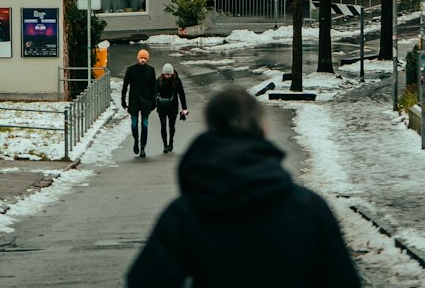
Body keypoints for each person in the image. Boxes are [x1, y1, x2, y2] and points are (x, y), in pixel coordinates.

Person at [126, 86, 361, 288]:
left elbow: (145, 280)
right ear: (263, 130)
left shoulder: (184, 215)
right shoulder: (309, 210)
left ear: (210, 129)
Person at [121, 47, 157, 158]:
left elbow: (154, 87)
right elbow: (125, 85)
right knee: (134, 124)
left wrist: (153, 101)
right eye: (141, 57)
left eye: (145, 58)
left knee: (145, 124)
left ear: (147, 59)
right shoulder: (131, 70)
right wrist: (123, 100)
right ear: (138, 58)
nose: (143, 60)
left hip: (146, 101)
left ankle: (142, 147)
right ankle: (136, 139)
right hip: (134, 101)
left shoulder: (151, 70)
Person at [154, 62, 188, 153]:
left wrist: (184, 108)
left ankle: (171, 142)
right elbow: (154, 93)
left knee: (171, 126)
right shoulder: (159, 80)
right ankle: (165, 145)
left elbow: (181, 94)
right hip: (161, 107)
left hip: (173, 107)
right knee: (163, 125)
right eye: (166, 74)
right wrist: (152, 105)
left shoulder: (176, 81)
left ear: (172, 73)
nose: (167, 76)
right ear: (163, 73)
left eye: (169, 74)